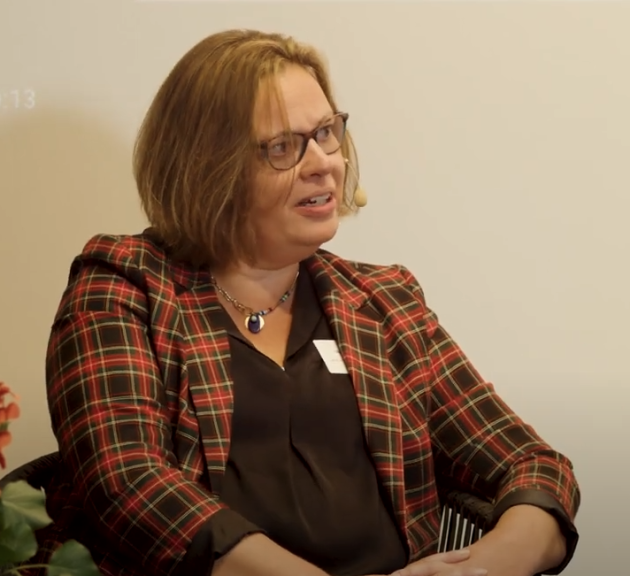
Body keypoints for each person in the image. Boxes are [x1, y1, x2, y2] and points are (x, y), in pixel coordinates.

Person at [31, 29, 580, 576]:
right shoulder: (125, 286)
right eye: (282, 146)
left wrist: (479, 567)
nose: (323, 163)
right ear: (208, 167)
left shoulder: (384, 301)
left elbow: (533, 465)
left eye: (325, 133)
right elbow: (128, 481)